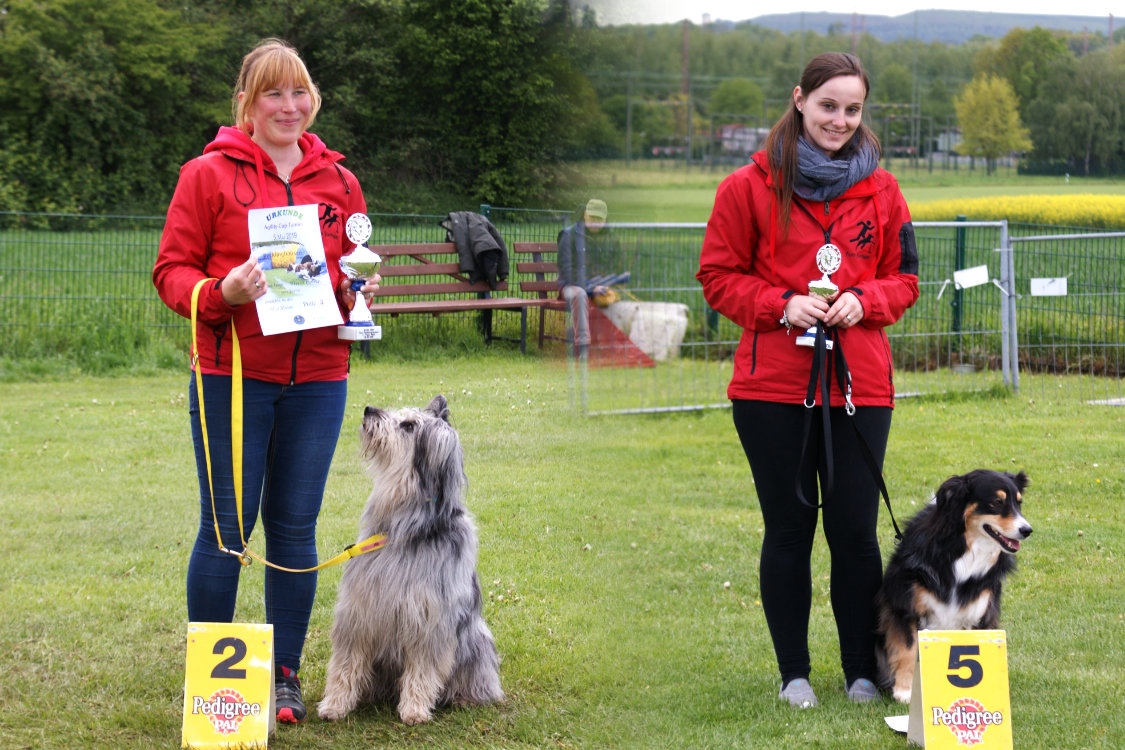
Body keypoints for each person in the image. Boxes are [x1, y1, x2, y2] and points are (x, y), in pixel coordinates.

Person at [153, 38, 379, 725]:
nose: (289, 106)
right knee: (225, 530)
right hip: (230, 376)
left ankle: (283, 677)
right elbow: (171, 273)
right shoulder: (206, 174)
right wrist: (220, 291)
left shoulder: (339, 181)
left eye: (300, 92)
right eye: (273, 94)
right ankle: (213, 684)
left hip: (318, 377)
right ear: (246, 105)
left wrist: (359, 287)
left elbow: (348, 269)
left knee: (293, 530)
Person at [696, 52, 919, 708]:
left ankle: (861, 671)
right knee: (788, 528)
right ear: (799, 99)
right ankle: (793, 674)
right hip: (772, 390)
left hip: (858, 387)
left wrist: (865, 300)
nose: (840, 121)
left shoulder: (883, 190)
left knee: (854, 531)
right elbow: (716, 276)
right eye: (828, 106)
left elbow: (903, 277)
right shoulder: (745, 186)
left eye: (852, 109)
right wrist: (779, 303)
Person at [556, 198, 624, 354]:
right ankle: (582, 347)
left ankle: (615, 348)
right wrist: (590, 287)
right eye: (592, 218)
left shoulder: (611, 238)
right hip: (570, 286)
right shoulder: (568, 235)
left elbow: (616, 267)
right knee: (580, 294)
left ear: (605, 219)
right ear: (585, 215)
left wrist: (607, 284)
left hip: (601, 286)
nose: (595, 223)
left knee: (616, 297)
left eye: (599, 219)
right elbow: (566, 270)